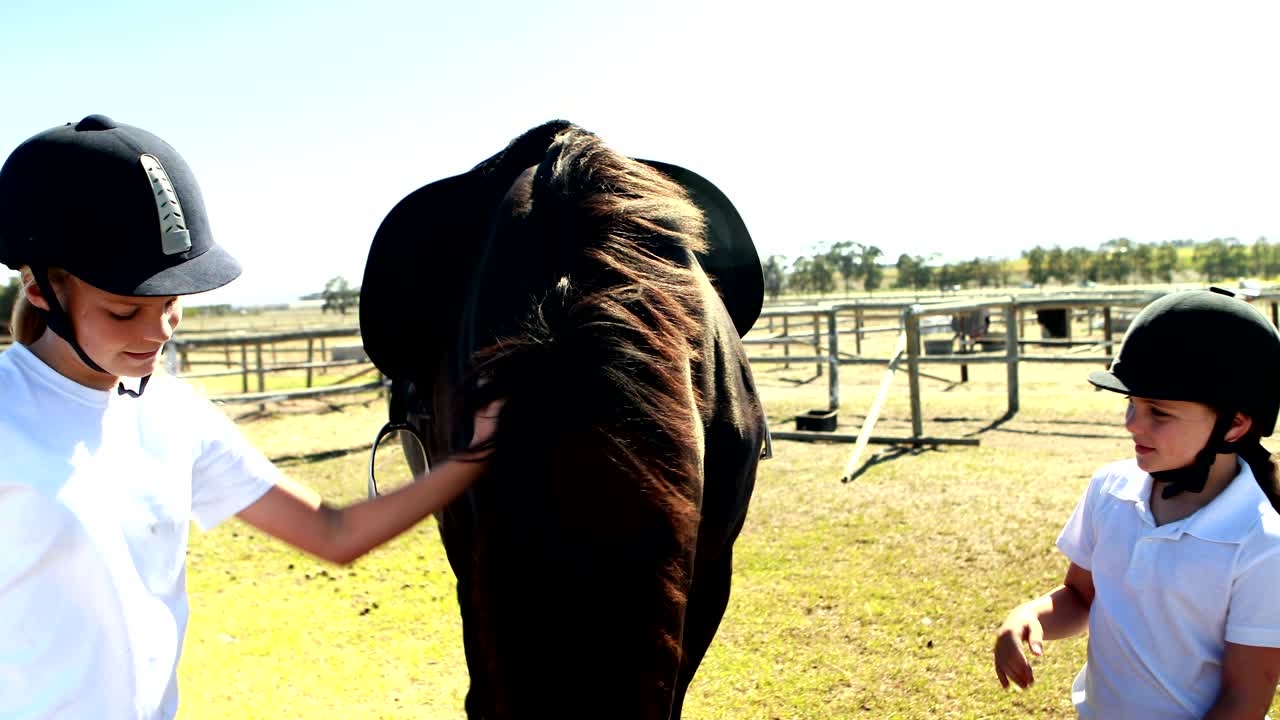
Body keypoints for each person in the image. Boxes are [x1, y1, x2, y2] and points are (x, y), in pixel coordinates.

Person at [0, 115, 496, 719]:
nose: (157, 332)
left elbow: (334, 535)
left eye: (171, 305)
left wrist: (473, 456)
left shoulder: (174, 415)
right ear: (39, 288)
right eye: (125, 311)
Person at [993, 288, 1280, 719]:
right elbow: (1081, 597)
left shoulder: (1262, 544)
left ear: (1235, 424)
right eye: (1131, 403)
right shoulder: (1111, 489)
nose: (1132, 423)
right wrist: (1027, 615)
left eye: (1158, 412)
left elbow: (1245, 699)